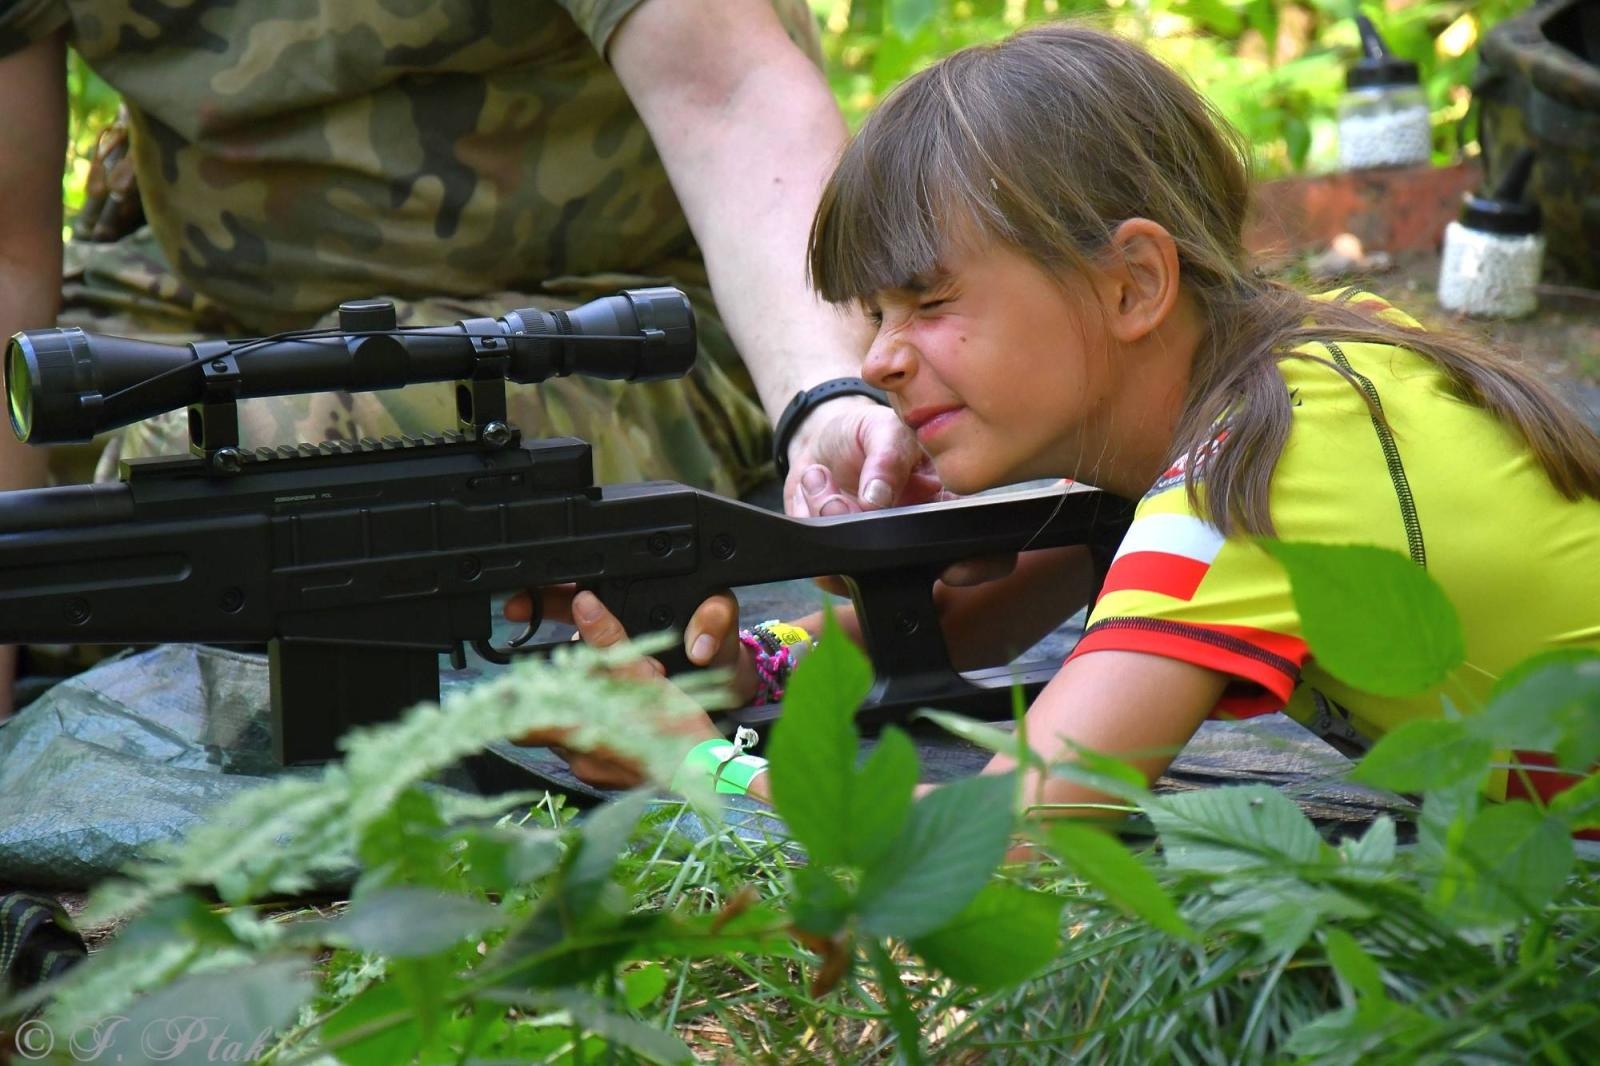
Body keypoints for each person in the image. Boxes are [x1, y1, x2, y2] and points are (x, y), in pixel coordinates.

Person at [521, 23, 1600, 812]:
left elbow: (992, 843)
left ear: (1133, 284)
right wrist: (740, 668)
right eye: (874, 314)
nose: (882, 358)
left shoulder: (1247, 476)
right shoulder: (1295, 372)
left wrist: (690, 762)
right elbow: (959, 621)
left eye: (932, 302)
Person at [0, 0, 930, 717]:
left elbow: (732, 100)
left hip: (629, 319)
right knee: (86, 521)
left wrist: (824, 398)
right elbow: (9, 266)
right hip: (210, 303)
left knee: (200, 478)